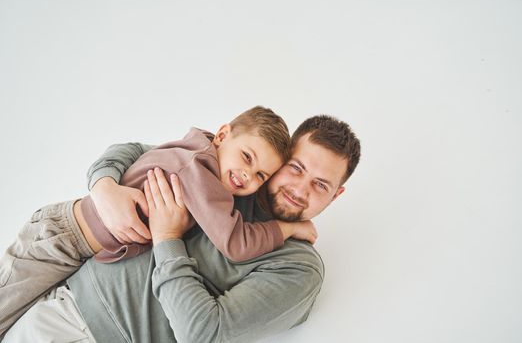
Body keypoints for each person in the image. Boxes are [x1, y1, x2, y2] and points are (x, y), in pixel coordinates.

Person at [3, 115, 361, 342]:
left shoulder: (298, 266)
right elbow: (133, 153)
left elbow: (204, 333)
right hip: (58, 296)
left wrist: (167, 237)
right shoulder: (229, 173)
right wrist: (105, 187)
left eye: (320, 185)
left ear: (337, 194)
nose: (299, 189)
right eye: (296, 168)